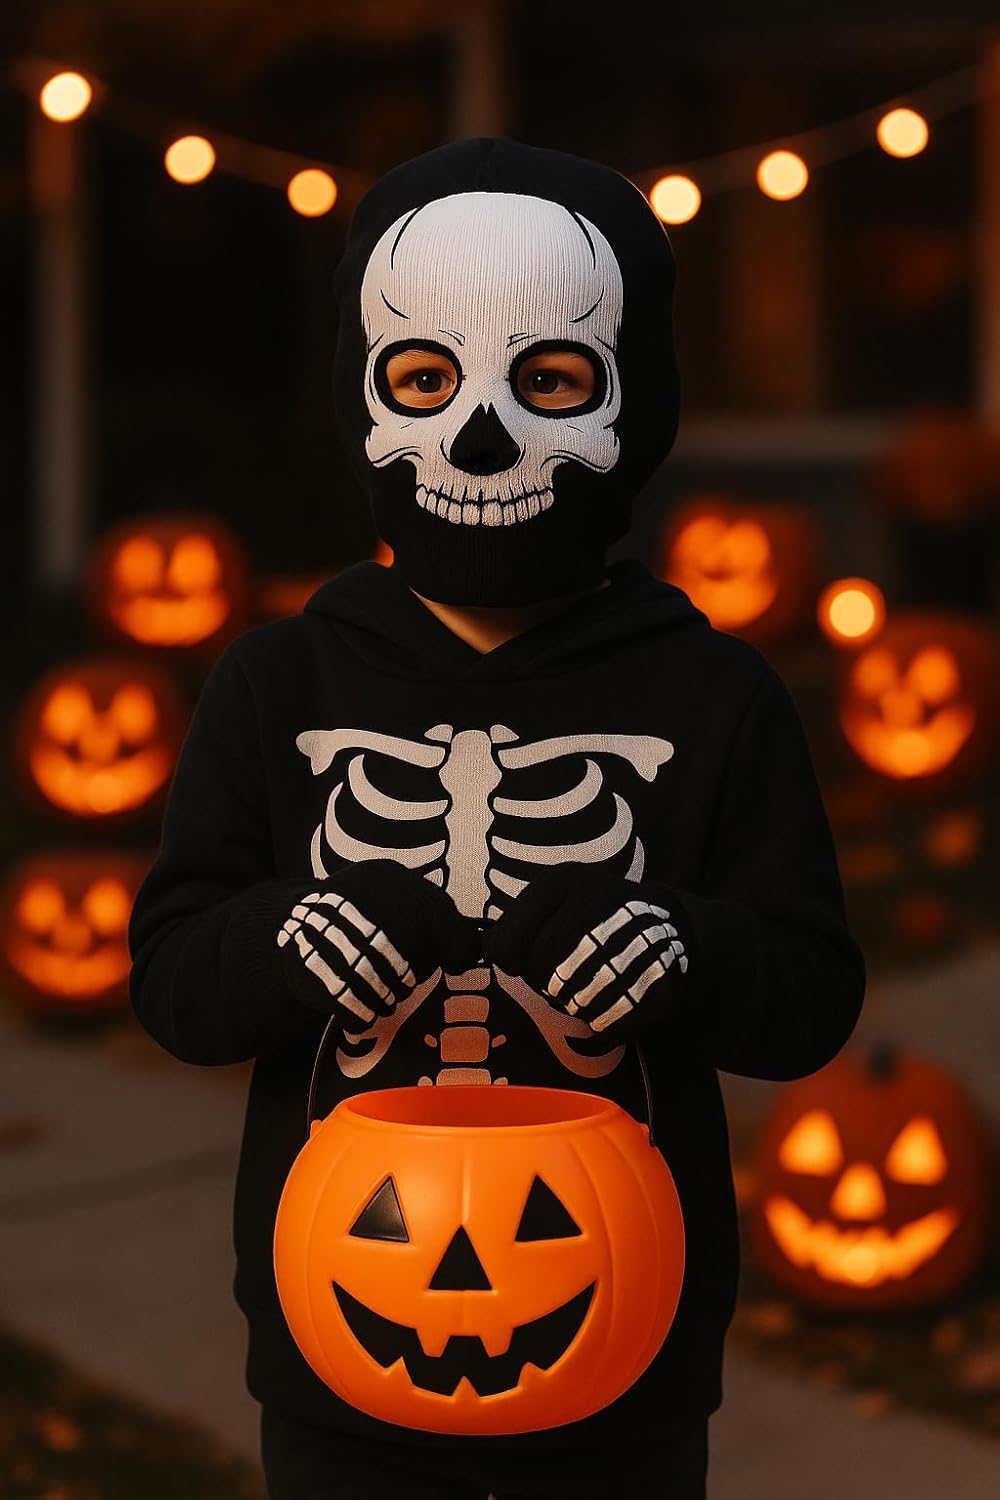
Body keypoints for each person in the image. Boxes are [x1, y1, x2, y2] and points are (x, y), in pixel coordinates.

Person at [129, 137, 865, 1499]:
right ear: (361, 398)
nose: (477, 437)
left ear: (632, 402)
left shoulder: (710, 691)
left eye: (553, 383)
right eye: (423, 380)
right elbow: (174, 978)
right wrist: (288, 940)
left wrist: (677, 949)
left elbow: (812, 993)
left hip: (621, 1345)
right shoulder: (281, 679)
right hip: (338, 1324)